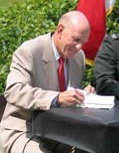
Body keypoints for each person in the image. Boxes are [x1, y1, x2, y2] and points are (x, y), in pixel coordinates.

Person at [0, 11, 94, 153]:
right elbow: (14, 90)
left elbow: (70, 98)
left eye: (83, 42)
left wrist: (82, 97)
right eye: (76, 39)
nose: (79, 47)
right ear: (60, 30)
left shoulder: (78, 57)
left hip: (60, 133)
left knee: (95, 148)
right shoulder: (30, 51)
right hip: (24, 130)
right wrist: (56, 98)